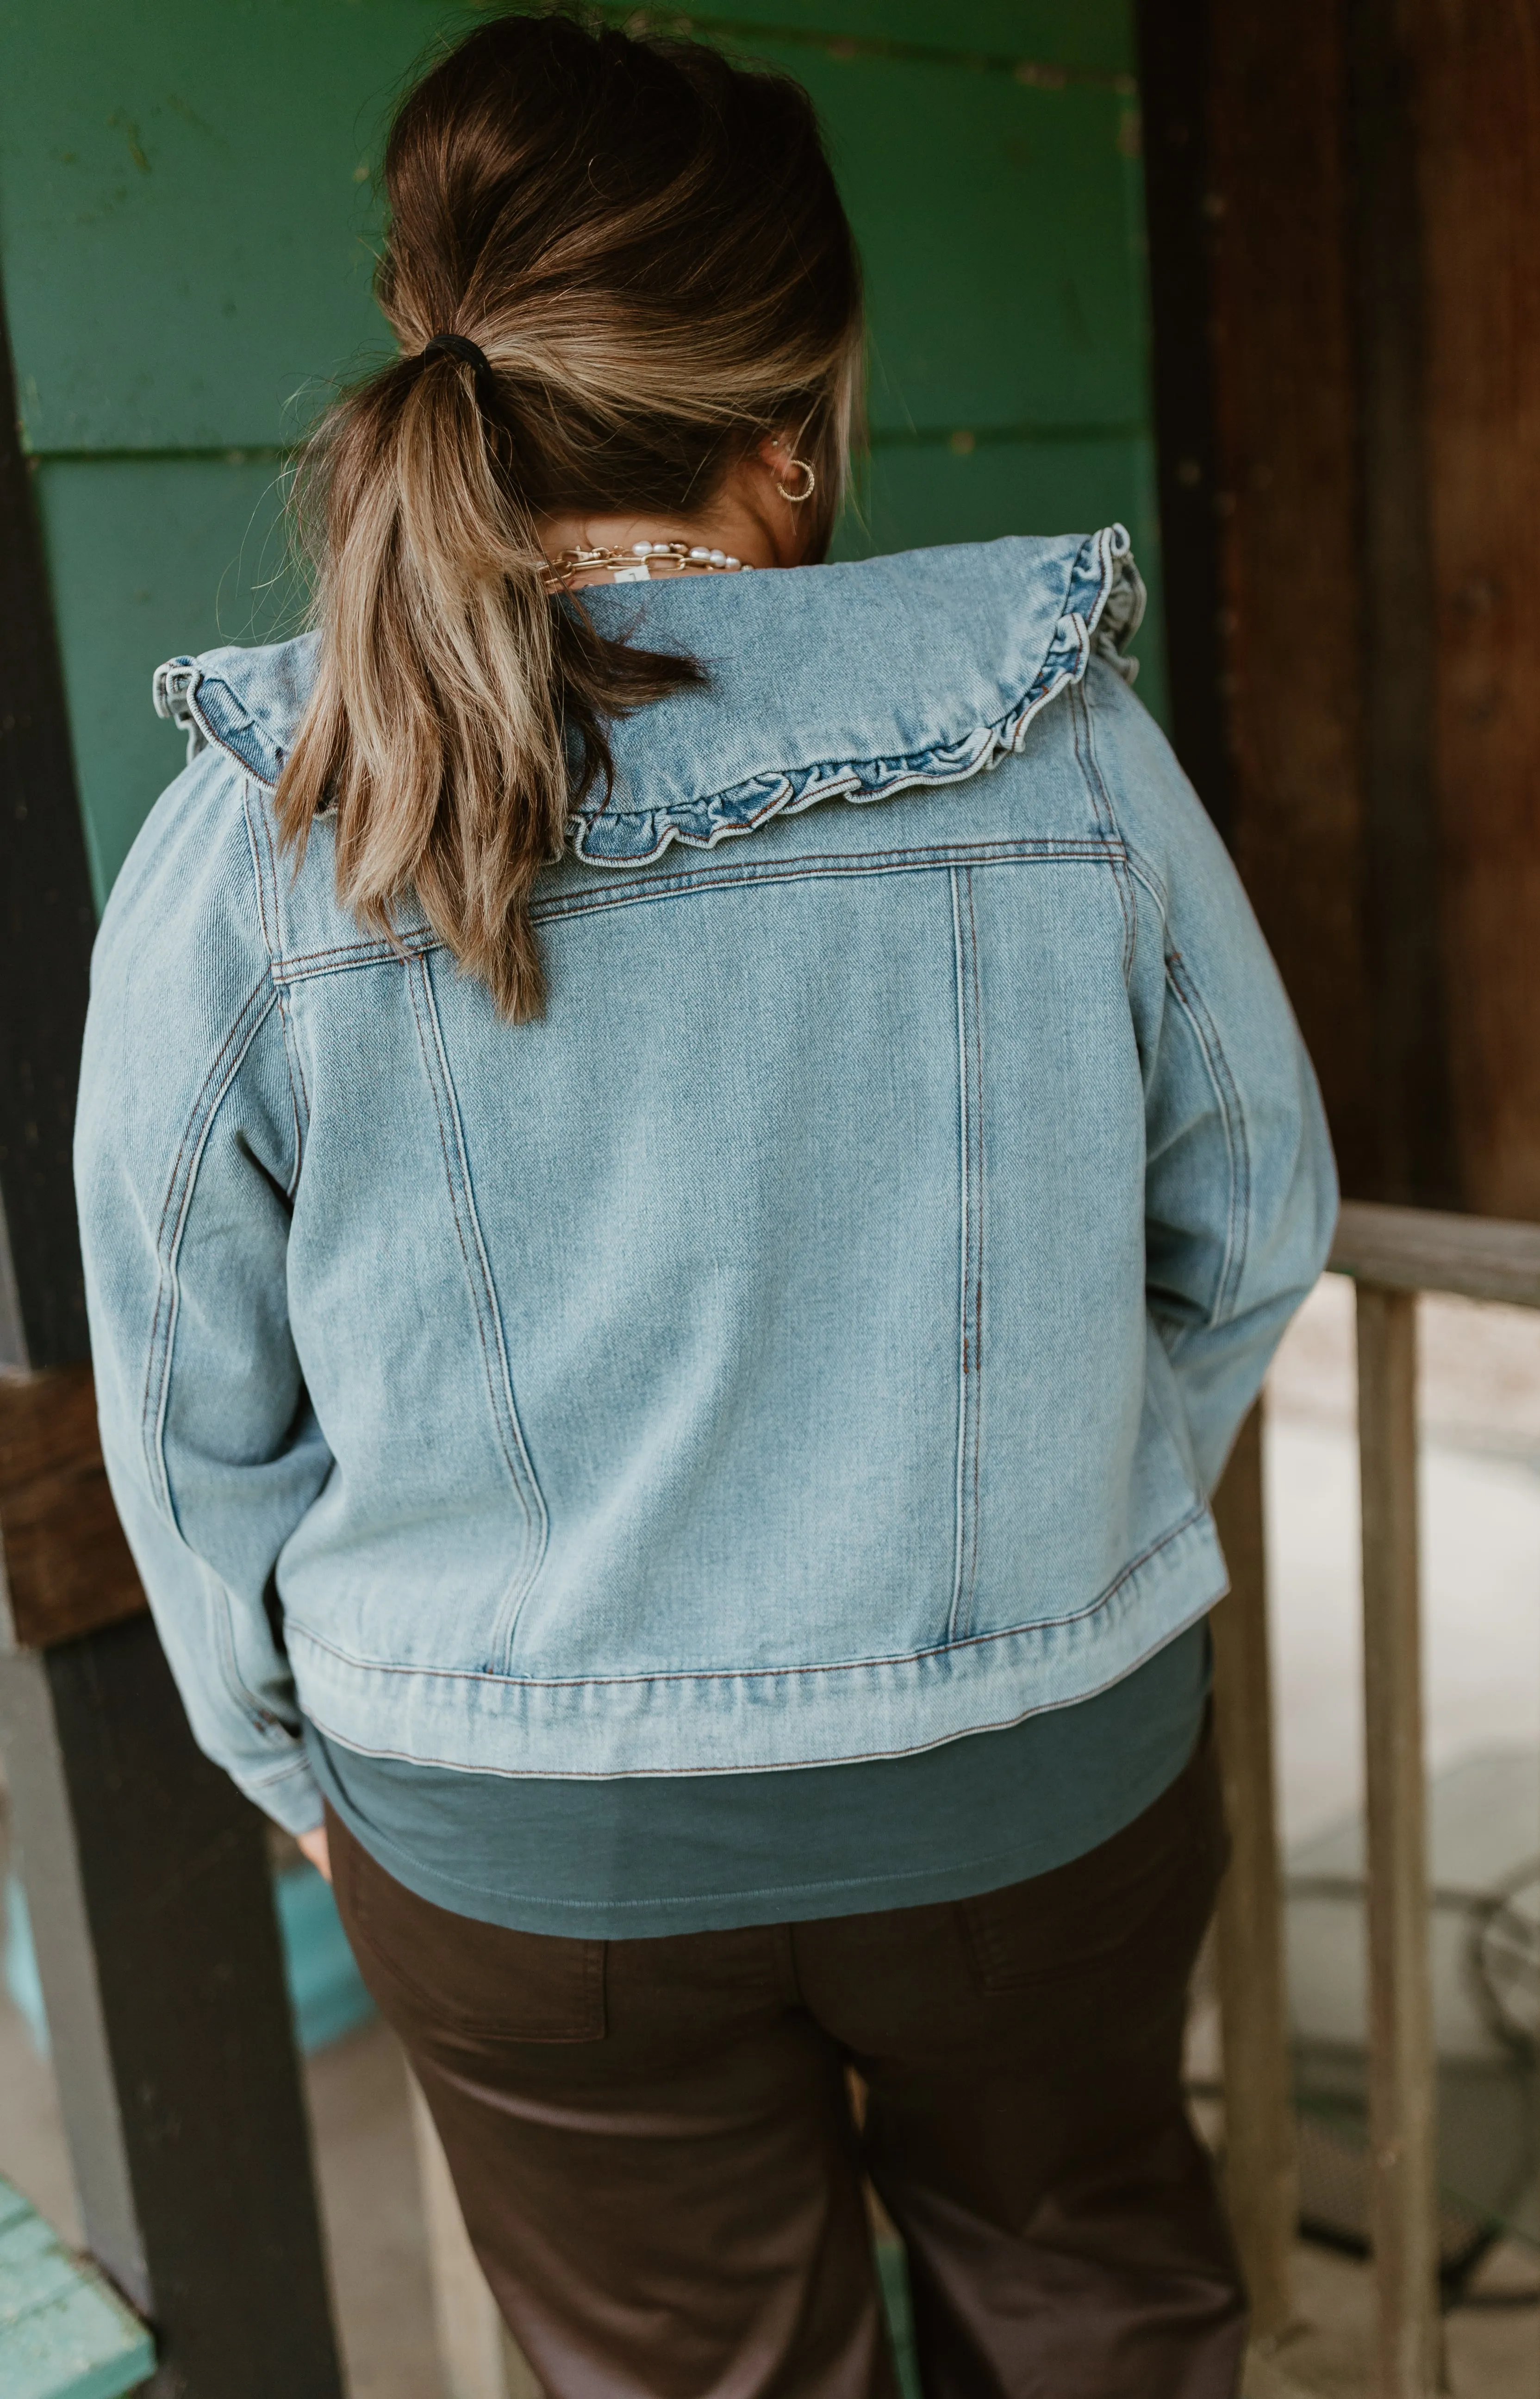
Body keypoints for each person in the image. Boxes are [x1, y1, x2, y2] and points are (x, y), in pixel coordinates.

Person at [75, 14, 1336, 2396]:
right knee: (1092, 2314)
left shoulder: (267, 819)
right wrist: (1066, 1521)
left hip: (519, 1841)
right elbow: (1253, 1213)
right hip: (1042, 1775)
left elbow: (181, 1394)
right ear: (786, 425)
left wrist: (298, 1767)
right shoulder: (1059, 735)